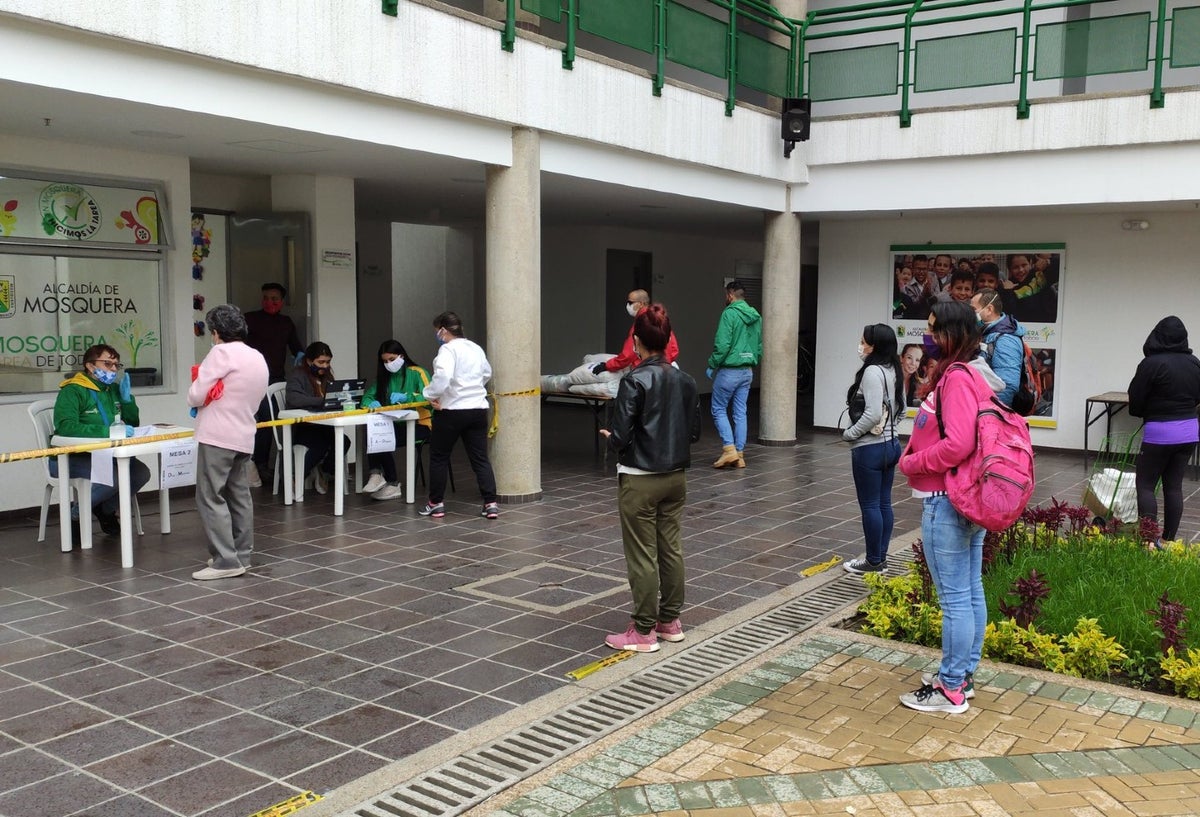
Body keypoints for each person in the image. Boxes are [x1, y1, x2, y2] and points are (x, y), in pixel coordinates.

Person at [897, 300, 993, 714]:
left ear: (952, 334)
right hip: (966, 499)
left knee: (955, 600)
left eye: (935, 329)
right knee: (969, 592)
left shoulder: (956, 378)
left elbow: (958, 443)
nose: (929, 336)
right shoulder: (972, 373)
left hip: (947, 501)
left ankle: (950, 688)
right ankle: (962, 676)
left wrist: (912, 462)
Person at [599, 304, 699, 652]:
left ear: (637, 341)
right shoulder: (686, 381)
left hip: (639, 478)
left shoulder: (634, 381)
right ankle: (669, 621)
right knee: (671, 549)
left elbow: (621, 438)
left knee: (642, 555)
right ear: (668, 340)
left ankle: (642, 631)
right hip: (676, 477)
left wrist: (610, 438)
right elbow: (694, 433)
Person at [187, 305, 269, 580]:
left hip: (217, 434)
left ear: (215, 332)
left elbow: (196, 395)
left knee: (210, 496)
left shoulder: (220, 353)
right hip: (244, 433)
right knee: (239, 495)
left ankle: (225, 560)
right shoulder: (257, 356)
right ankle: (242, 555)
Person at [50, 345, 152, 537]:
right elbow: (65, 427)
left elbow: (132, 423)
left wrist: (127, 401)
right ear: (90, 366)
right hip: (72, 457)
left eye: (116, 365)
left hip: (106, 454)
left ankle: (105, 510)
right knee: (112, 477)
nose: (113, 369)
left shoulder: (112, 389)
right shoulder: (72, 390)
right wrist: (107, 431)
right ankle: (75, 516)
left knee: (140, 473)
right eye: (107, 364)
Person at [1127, 316, 1200, 548]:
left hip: (1159, 431)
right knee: (1174, 486)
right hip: (1189, 431)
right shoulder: (1195, 363)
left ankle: (1148, 541)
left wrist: (1147, 411)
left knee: (1146, 485)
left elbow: (1135, 401)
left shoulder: (1150, 364)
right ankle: (1167, 541)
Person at [420, 311, 499, 520]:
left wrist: (430, 394)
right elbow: (487, 373)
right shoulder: (475, 348)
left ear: (443, 330)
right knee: (480, 458)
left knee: (439, 457)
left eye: (437, 331)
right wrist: (472, 388)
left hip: (451, 411)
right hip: (477, 409)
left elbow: (443, 377)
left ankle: (436, 504)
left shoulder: (447, 349)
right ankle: (490, 503)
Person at [843, 324, 904, 575]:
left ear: (874, 346)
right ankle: (881, 557)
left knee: (870, 505)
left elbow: (872, 414)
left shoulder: (872, 372)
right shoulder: (894, 369)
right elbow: (901, 409)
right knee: (883, 503)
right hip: (892, 445)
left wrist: (850, 434)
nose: (861, 345)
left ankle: (873, 561)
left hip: (870, 449)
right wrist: (892, 429)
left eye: (864, 341)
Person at [244, 282, 304, 488]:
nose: (269, 302)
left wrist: (302, 356)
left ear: (282, 302)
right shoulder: (250, 319)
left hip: (277, 379)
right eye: (266, 298)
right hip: (253, 379)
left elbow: (297, 347)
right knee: (263, 420)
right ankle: (256, 464)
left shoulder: (286, 323)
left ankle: (267, 465)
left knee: (275, 421)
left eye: (274, 299)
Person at [361, 340, 432, 501]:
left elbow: (431, 397)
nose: (389, 364)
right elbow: (367, 397)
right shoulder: (385, 377)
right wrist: (370, 402)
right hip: (397, 424)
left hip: (421, 424)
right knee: (376, 433)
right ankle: (376, 474)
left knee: (384, 437)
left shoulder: (417, 372)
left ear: (402, 356)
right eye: (385, 361)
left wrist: (408, 397)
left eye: (392, 359)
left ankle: (392, 483)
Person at [706, 280, 762, 468]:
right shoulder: (755, 316)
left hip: (730, 371)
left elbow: (723, 344)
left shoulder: (729, 313)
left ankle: (729, 449)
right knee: (740, 412)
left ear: (730, 295)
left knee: (718, 409)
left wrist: (712, 364)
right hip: (747, 371)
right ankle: (740, 454)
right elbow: (758, 345)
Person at [286, 341, 346, 493]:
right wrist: (322, 401)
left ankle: (324, 471)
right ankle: (296, 478)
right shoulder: (298, 375)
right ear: (309, 361)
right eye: (321, 362)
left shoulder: (327, 376)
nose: (325, 366)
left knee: (344, 442)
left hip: (325, 425)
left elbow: (333, 396)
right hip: (304, 427)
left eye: (328, 362)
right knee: (320, 444)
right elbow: (294, 399)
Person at [591, 289, 679, 375]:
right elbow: (674, 349)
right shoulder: (660, 320)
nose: (627, 305)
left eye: (630, 302)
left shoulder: (640, 324)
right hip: (665, 370)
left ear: (641, 304)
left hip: (645, 372)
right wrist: (666, 362)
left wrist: (608, 365)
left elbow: (628, 354)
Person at [971, 288, 1026, 408]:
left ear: (989, 309)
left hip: (992, 412)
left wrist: (991, 414)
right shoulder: (985, 332)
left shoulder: (1006, 339)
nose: (971, 314)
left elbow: (1007, 387)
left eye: (973, 310)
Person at [1000, 253, 1057, 323]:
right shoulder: (1008, 288)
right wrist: (1008, 292)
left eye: (1024, 265)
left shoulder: (1040, 277)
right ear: (1010, 269)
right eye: (1016, 267)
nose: (1021, 270)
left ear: (1030, 263)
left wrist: (1048, 262)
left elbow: (1064, 263)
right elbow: (1008, 313)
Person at [900, 343, 925, 408]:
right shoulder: (891, 379)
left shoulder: (919, 384)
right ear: (901, 358)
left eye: (917, 360)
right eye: (909, 358)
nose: (913, 363)